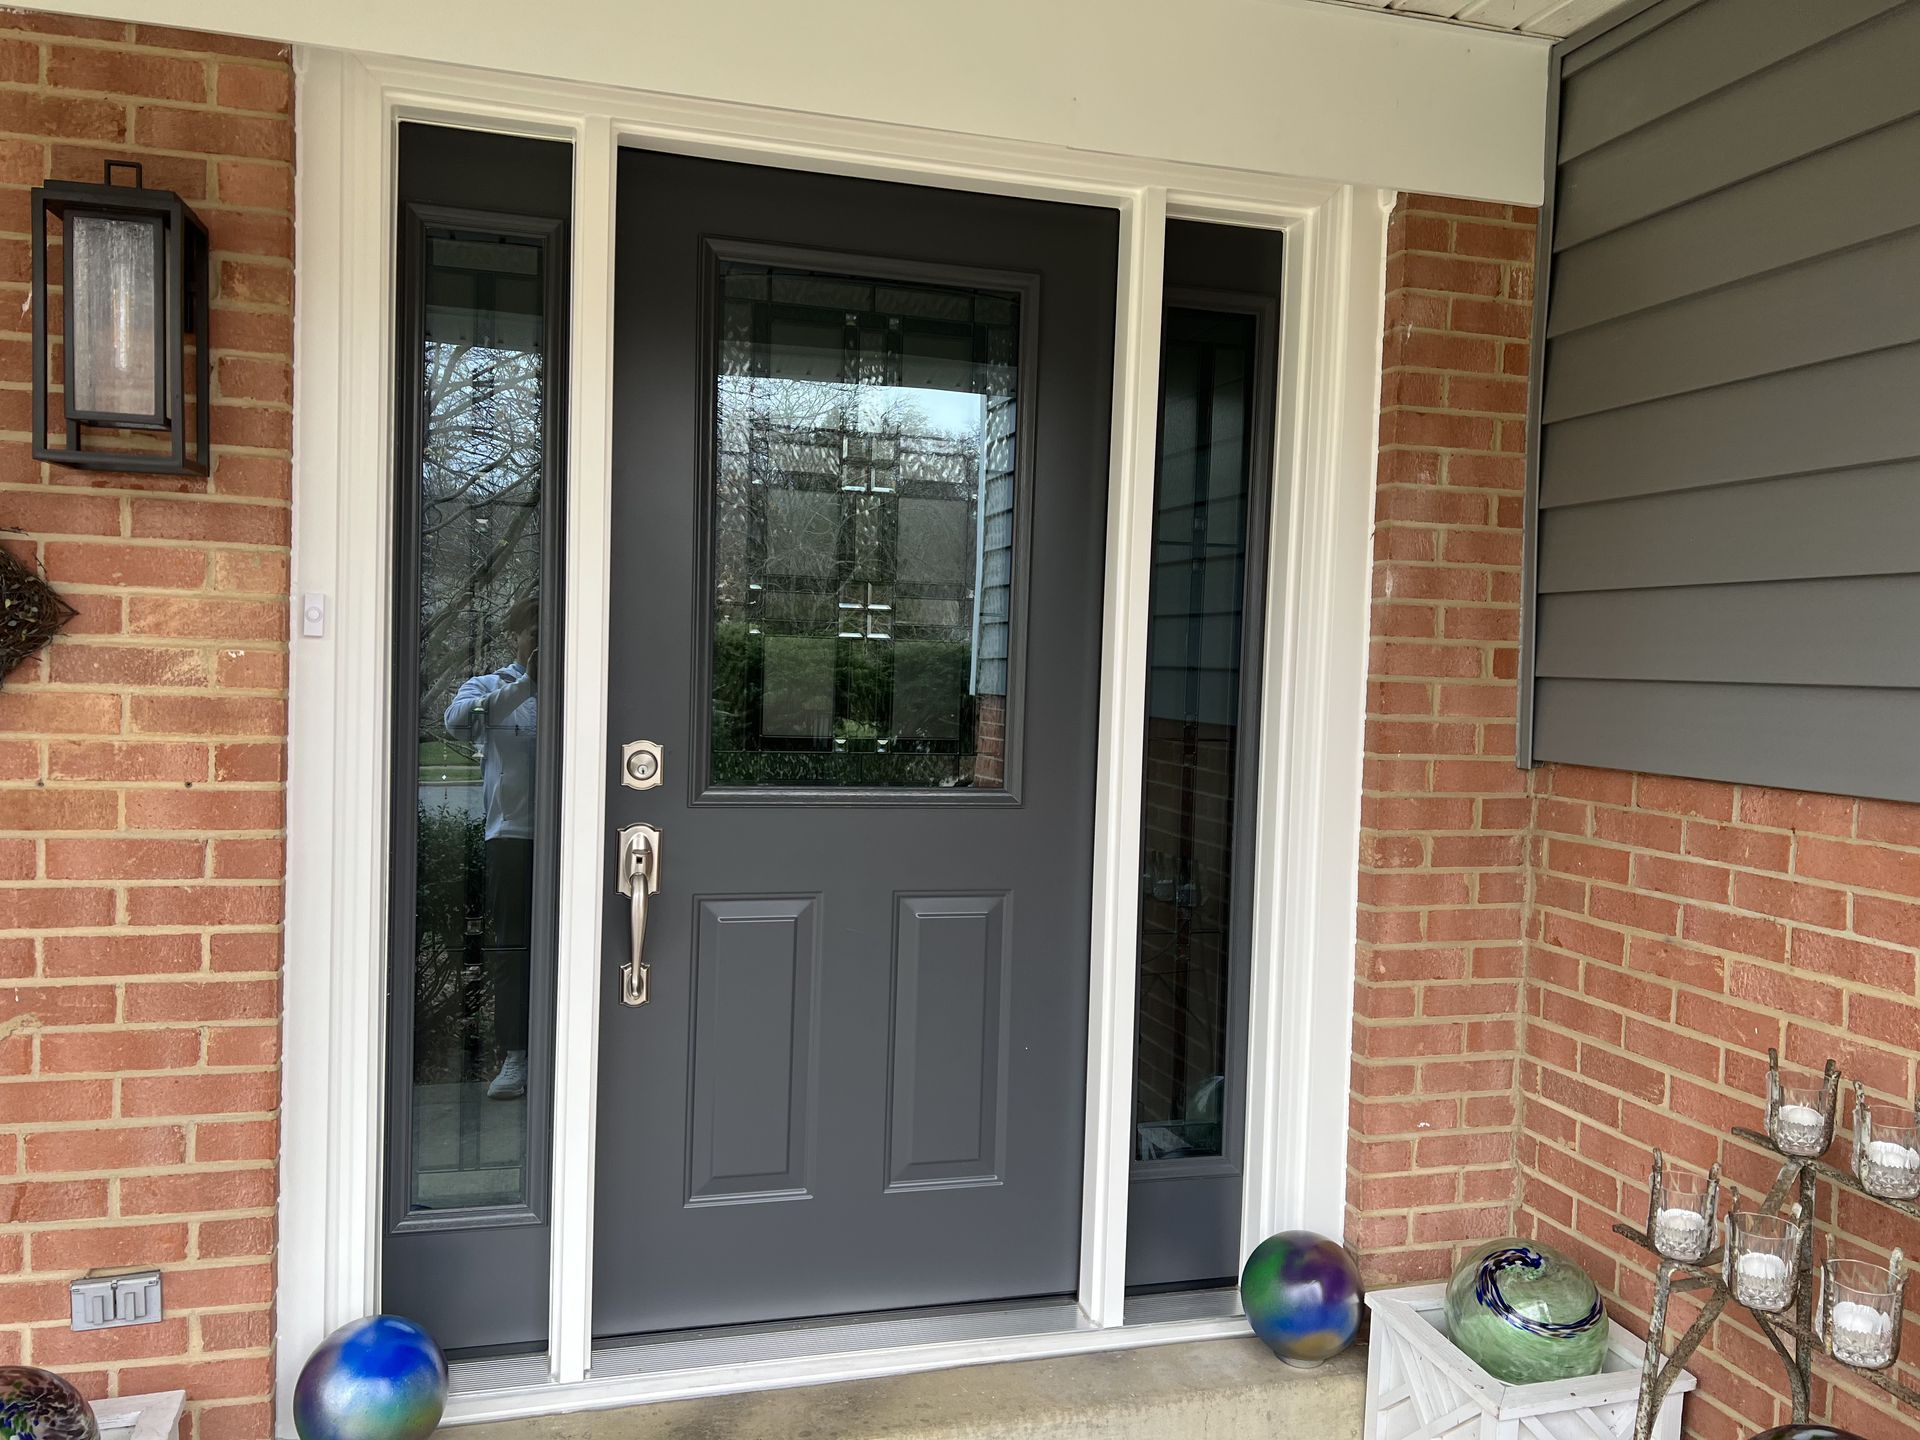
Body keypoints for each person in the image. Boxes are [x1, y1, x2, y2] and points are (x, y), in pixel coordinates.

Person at [443, 593, 539, 1101]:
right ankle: (516, 1055)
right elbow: (456, 722)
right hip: (513, 836)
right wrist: (527, 685)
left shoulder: (584, 680)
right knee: (513, 947)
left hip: (579, 835)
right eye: (534, 633)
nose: (542, 643)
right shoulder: (490, 685)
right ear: (515, 637)